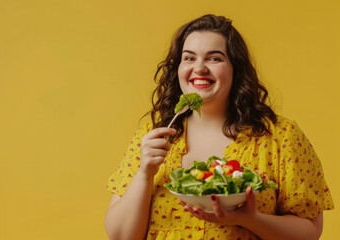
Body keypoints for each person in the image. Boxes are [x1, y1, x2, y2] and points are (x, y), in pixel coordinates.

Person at [104, 14, 334, 240]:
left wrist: (250, 219)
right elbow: (121, 236)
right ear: (178, 68)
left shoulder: (280, 136)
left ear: (236, 68)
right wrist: (145, 173)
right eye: (189, 58)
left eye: (214, 58)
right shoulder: (151, 138)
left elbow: (310, 233)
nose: (200, 68)